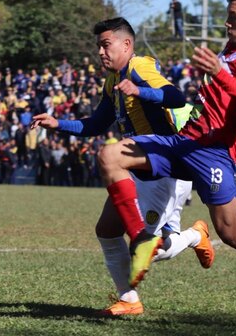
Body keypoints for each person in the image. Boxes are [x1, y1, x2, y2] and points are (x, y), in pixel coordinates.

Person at [97, 0, 236, 329]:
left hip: (214, 153)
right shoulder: (235, 46)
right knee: (111, 156)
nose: (226, 23)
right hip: (183, 141)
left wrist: (218, 74)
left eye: (232, 17)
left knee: (232, 233)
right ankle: (144, 239)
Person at [30, 17, 214, 316]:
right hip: (136, 166)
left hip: (163, 167)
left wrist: (141, 92)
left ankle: (195, 236)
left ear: (126, 44)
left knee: (152, 249)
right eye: (99, 47)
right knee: (107, 230)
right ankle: (129, 300)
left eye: (106, 45)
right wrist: (57, 124)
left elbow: (175, 97)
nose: (101, 52)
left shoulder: (139, 67)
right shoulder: (112, 81)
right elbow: (97, 124)